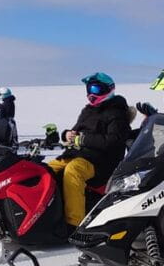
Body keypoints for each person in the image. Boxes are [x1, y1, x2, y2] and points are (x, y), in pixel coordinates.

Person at [48, 72, 131, 230]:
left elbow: (113, 141)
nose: (91, 94)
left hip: (102, 161)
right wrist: (67, 134)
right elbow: (76, 131)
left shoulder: (117, 113)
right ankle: (46, 215)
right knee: (48, 169)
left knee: (73, 171)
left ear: (107, 89)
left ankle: (74, 223)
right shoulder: (88, 111)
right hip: (79, 154)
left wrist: (84, 139)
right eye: (89, 89)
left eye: (96, 89)